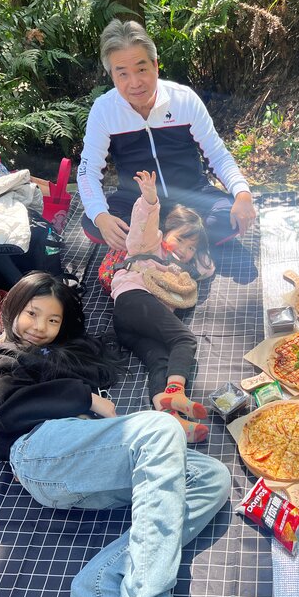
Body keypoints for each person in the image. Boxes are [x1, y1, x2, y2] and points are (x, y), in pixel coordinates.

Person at [0, 271, 230, 597]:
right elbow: (4, 410)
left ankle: (102, 581)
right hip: (38, 453)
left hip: (82, 467)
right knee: (157, 428)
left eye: (53, 319)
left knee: (212, 477)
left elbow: (144, 351)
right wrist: (85, 397)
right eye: (31, 313)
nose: (40, 327)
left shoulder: (63, 355)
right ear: (12, 309)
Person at [78, 18, 257, 250]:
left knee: (228, 217)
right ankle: (182, 244)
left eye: (141, 69)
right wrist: (100, 215)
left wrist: (243, 194)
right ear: (111, 75)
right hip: (137, 202)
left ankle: (153, 244)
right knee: (93, 223)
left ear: (155, 65)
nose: (134, 83)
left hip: (191, 193)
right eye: (122, 74)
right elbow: (87, 170)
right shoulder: (104, 111)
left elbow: (217, 155)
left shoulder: (183, 99)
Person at [112, 169, 213, 443]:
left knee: (160, 361)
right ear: (165, 231)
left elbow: (206, 268)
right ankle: (176, 392)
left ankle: (172, 421)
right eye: (180, 239)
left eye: (191, 248)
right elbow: (142, 226)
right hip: (134, 298)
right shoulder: (149, 245)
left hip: (131, 327)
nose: (184, 250)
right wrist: (150, 202)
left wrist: (197, 246)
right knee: (184, 339)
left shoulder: (180, 267)